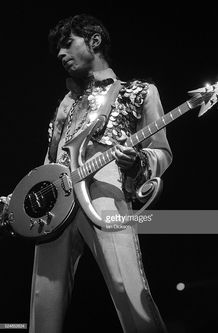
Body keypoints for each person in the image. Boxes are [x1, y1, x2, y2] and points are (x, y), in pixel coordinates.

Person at [0, 13, 172, 332]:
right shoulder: (66, 106)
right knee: (43, 298)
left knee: (129, 289)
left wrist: (138, 161)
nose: (61, 55)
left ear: (94, 41)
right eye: (58, 52)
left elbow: (162, 152)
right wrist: (21, 199)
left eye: (68, 44)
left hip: (107, 191)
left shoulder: (138, 92)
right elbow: (49, 164)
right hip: (58, 203)